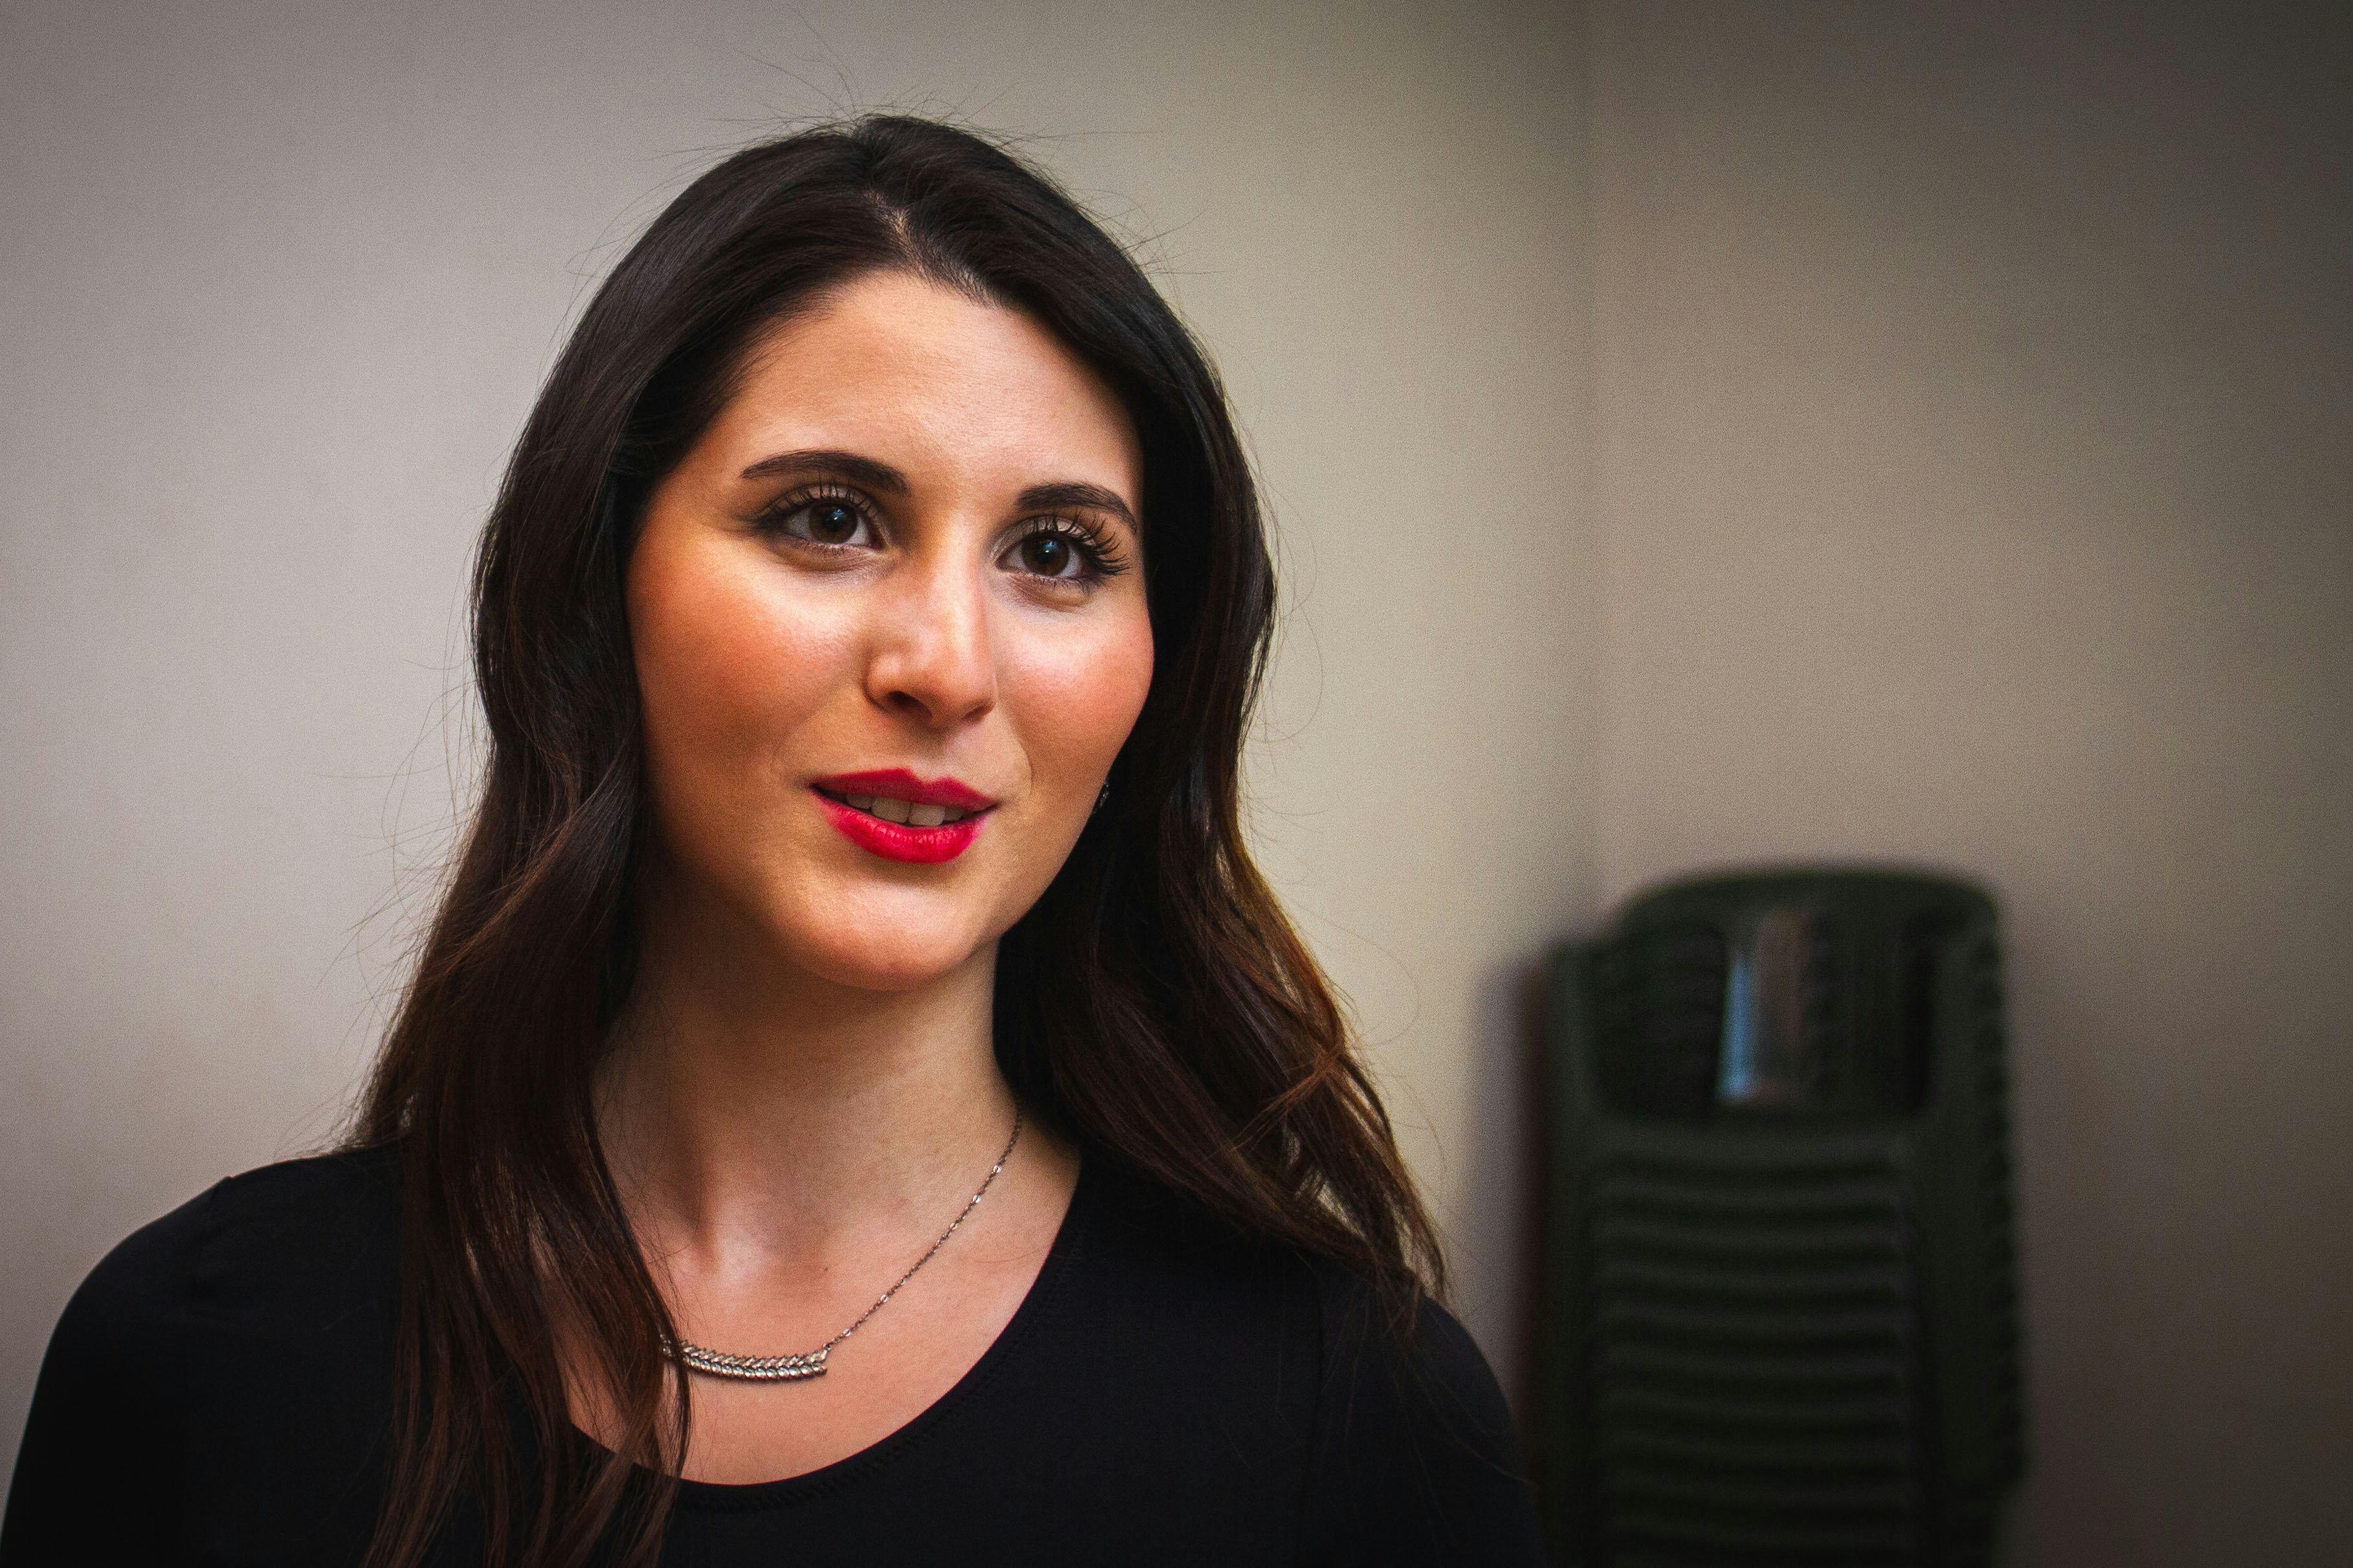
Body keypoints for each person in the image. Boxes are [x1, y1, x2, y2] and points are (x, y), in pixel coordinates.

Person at [0, 116, 1545, 1567]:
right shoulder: (194, 1363)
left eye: (1059, 554)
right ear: (600, 582)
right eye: (827, 518)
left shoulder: (1364, 1423)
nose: (946, 665)